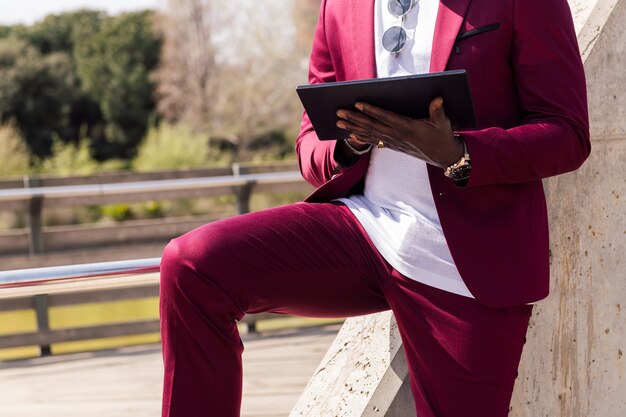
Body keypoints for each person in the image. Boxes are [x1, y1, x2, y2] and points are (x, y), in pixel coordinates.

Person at [159, 0, 590, 416]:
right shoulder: (340, 4)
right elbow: (311, 141)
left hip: (467, 260)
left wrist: (459, 153)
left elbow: (567, 132)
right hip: (361, 228)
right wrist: (348, 143)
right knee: (193, 267)